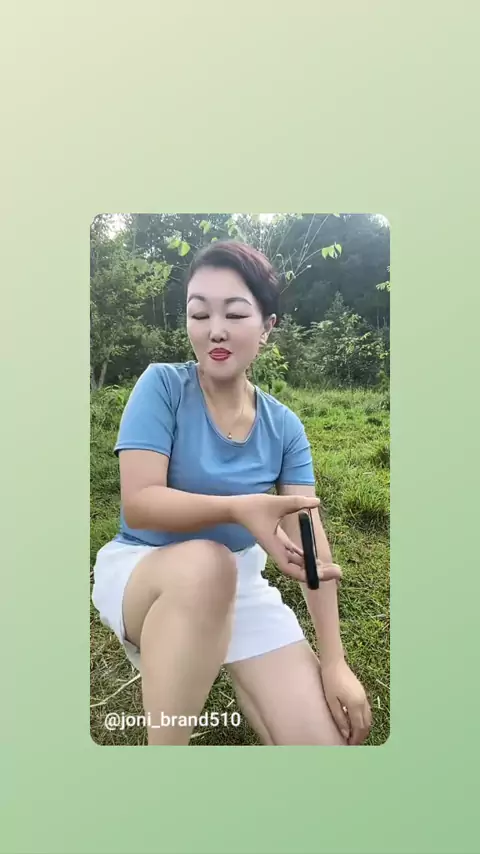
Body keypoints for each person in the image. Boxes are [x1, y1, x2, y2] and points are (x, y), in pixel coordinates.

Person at [92, 239, 372, 746]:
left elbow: (310, 542)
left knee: (325, 749)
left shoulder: (284, 427)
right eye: (199, 314)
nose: (214, 330)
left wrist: (335, 661)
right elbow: (140, 502)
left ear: (267, 327)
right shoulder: (162, 387)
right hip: (145, 568)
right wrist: (240, 509)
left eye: (235, 314)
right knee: (208, 565)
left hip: (238, 581)